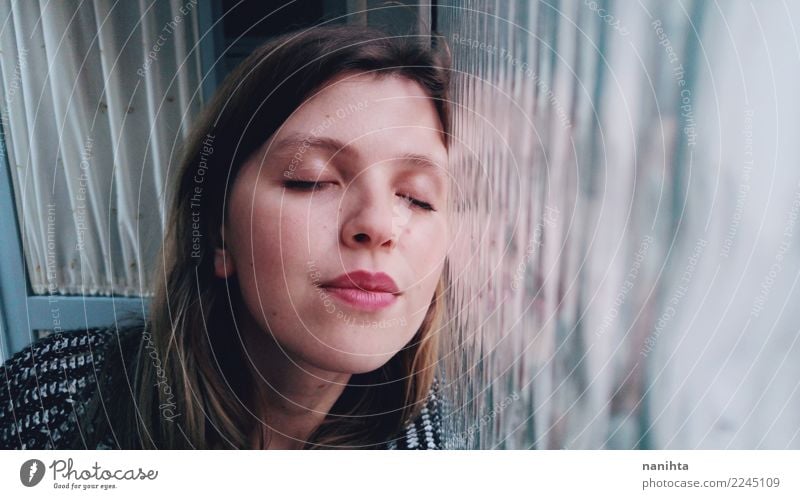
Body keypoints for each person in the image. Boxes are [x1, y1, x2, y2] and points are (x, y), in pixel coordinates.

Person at [0, 24, 452, 449]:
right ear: (218, 229)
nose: (378, 224)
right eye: (311, 180)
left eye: (418, 198)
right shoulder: (50, 402)